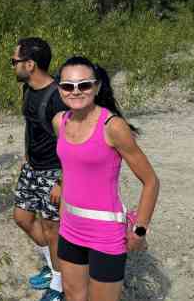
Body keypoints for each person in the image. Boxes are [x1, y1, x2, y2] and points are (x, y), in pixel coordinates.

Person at [52, 56, 160, 301]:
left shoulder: (113, 126)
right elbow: (70, 167)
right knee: (73, 297)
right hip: (69, 228)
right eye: (68, 86)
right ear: (59, 88)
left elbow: (151, 181)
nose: (76, 91)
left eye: (84, 85)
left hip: (105, 233)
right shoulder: (60, 121)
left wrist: (140, 229)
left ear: (97, 86)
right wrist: (61, 208)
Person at [11, 38, 68, 301]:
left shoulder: (59, 97)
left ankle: (59, 284)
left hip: (54, 173)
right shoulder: (28, 90)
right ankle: (52, 265)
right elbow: (31, 126)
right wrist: (27, 155)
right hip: (32, 168)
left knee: (51, 229)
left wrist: (62, 181)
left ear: (30, 64)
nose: (13, 66)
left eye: (15, 61)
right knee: (22, 217)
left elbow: (73, 142)